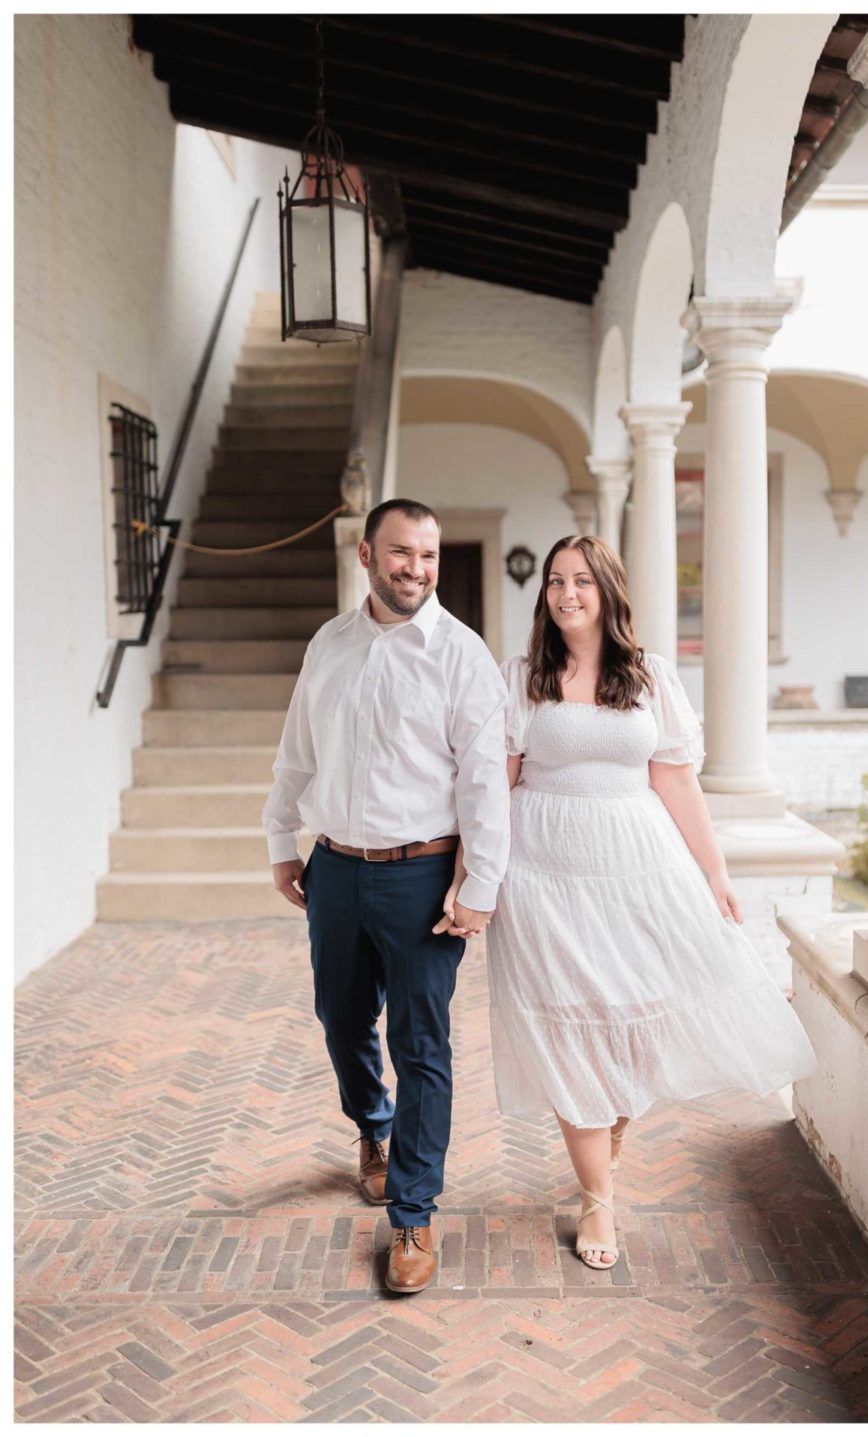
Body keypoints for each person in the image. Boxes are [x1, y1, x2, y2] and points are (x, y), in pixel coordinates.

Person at [465, 535, 816, 1270]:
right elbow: (493, 787)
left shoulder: (650, 675)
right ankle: (599, 1198)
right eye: (556, 581)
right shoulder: (523, 675)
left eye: (582, 582)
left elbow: (678, 781)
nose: (566, 593)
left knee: (634, 1021)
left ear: (609, 591)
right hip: (543, 872)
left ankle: (607, 1131)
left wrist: (715, 872)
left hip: (637, 865)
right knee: (570, 1032)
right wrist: (477, 876)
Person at [264, 498, 510, 1294]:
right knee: (339, 1016)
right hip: (335, 867)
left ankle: (412, 1212)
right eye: (402, 552)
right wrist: (281, 842)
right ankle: (373, 1124)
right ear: (368, 554)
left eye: (429, 555)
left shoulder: (462, 657)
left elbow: (484, 788)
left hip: (423, 876)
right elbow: (296, 752)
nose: (417, 568)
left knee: (423, 1044)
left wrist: (478, 887)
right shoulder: (329, 645)